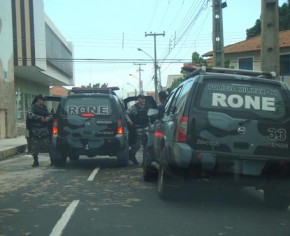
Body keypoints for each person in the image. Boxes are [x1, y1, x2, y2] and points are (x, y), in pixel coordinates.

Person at [26, 94, 52, 167]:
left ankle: (52, 160)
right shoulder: (33, 107)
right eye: (43, 100)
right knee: (35, 147)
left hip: (44, 129)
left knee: (49, 146)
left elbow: (50, 115)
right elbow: (30, 115)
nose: (44, 101)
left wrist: (48, 118)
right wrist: (40, 118)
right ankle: (35, 161)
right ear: (39, 100)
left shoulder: (44, 108)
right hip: (35, 130)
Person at [127, 94, 149, 165]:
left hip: (146, 128)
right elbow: (125, 113)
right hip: (137, 128)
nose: (143, 100)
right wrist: (129, 121)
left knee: (146, 145)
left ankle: (144, 161)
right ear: (138, 99)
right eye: (142, 99)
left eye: (144, 99)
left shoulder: (146, 107)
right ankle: (131, 155)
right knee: (138, 145)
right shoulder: (134, 107)